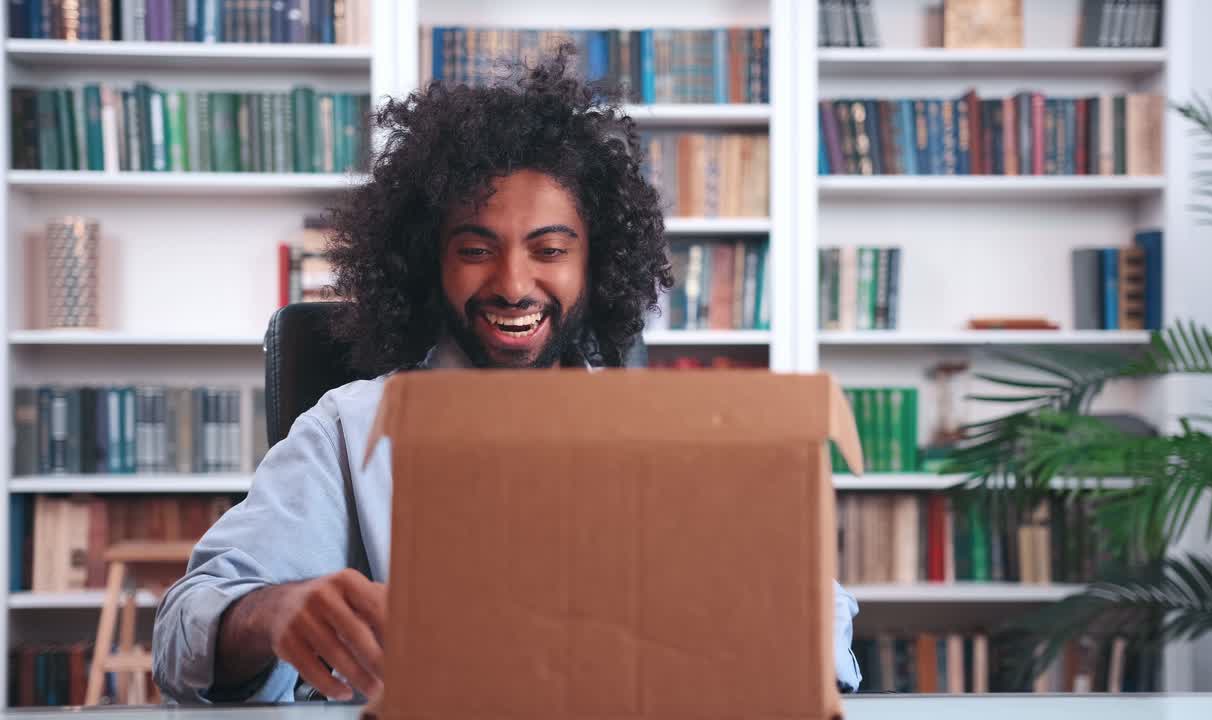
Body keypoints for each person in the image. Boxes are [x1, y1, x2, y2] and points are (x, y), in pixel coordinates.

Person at [152, 46, 860, 704]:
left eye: (549, 249)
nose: (513, 284)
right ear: (428, 262)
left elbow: (820, 613)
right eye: (475, 249)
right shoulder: (349, 427)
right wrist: (274, 612)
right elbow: (185, 625)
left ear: (596, 263)